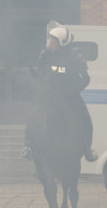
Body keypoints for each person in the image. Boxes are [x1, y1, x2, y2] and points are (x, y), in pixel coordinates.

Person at [21, 25, 98, 162]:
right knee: (34, 114)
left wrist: (70, 92)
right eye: (50, 40)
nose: (50, 43)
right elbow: (40, 74)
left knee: (86, 119)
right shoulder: (45, 53)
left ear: (62, 43)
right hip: (48, 95)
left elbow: (86, 79)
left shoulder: (75, 55)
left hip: (69, 96)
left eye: (53, 41)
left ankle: (87, 149)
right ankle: (28, 147)